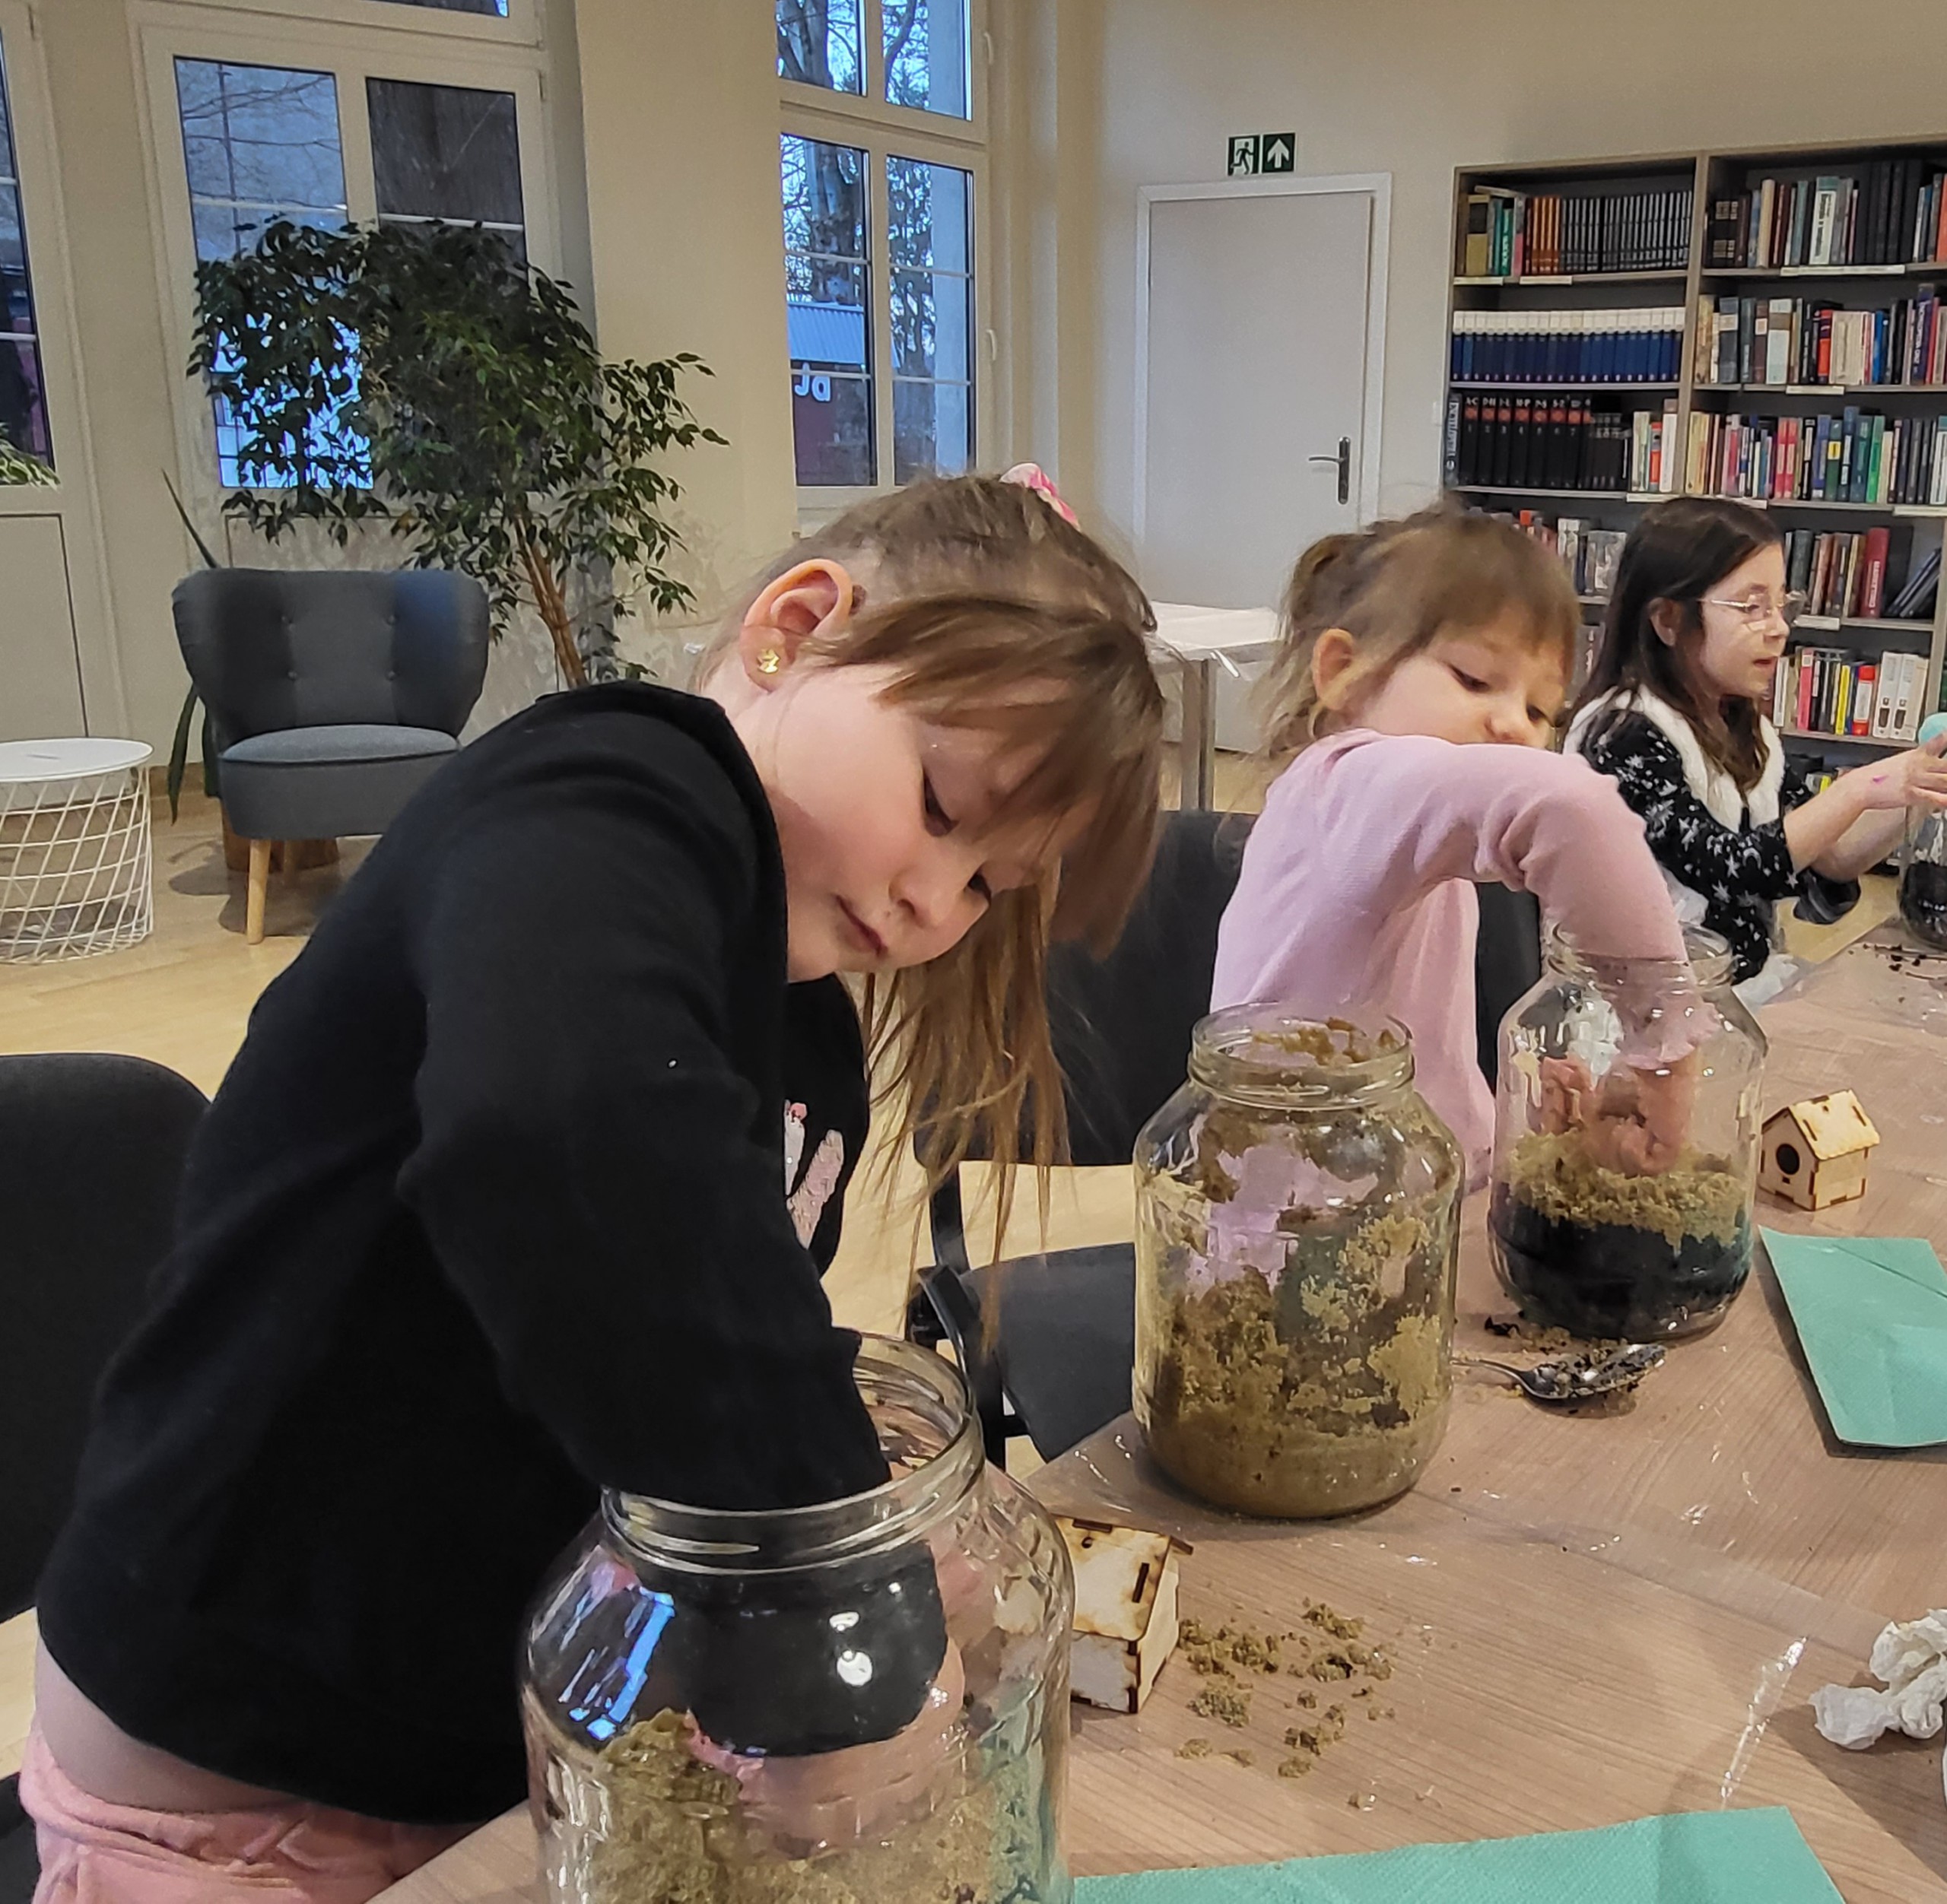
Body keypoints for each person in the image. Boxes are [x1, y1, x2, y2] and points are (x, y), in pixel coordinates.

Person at [22, 472, 1164, 1902]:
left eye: (991, 886)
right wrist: (826, 1589)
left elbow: (675, 1348)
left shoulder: (801, 1018)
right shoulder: (605, 791)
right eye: (942, 808)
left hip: (481, 1760)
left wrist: (859, 1524)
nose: (939, 904)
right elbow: (564, 1133)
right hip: (238, 1787)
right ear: (797, 626)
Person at [1212, 508, 1692, 1188]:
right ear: (1345, 674)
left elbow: (1429, 1076)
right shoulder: (1349, 785)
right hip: (1308, 1224)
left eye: (1539, 712)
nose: (1515, 726)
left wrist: (1524, 1117)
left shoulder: (1416, 847)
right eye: (1473, 679)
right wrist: (1664, 1047)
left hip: (1411, 1194)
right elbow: (1573, 811)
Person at [1567, 497, 1947, 1004]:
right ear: (1669, 620)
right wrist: (1860, 789)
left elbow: (1826, 857)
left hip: (1740, 990)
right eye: (1752, 608)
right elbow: (1729, 868)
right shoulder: (1622, 734)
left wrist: (1920, 786)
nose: (1780, 628)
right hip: (1644, 1010)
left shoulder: (1744, 728)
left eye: (1782, 605)